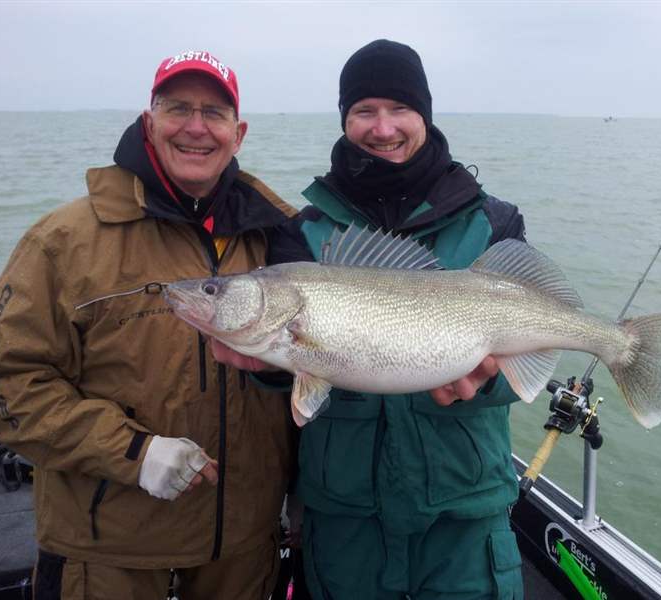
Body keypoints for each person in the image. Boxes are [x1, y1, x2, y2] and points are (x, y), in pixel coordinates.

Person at [0, 50, 298, 600]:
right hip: (108, 553)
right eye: (177, 108)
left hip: (242, 549)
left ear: (238, 134)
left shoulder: (276, 235)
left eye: (214, 113)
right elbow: (1, 383)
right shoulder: (64, 239)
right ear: (149, 121)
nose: (195, 127)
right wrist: (131, 453)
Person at [214, 39, 526, 599]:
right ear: (344, 120)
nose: (382, 128)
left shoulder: (495, 222)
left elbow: (525, 358)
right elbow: (295, 374)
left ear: (424, 115)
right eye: (363, 111)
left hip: (465, 514)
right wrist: (263, 368)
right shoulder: (302, 232)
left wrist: (491, 380)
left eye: (399, 108)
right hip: (346, 521)